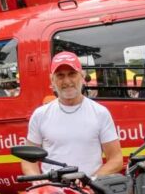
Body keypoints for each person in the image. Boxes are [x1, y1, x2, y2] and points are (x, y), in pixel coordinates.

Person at [22, 51, 123, 179]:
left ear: (82, 76)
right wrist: (37, 182)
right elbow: (28, 160)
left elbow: (116, 160)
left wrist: (90, 181)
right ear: (52, 80)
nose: (67, 81)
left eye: (72, 74)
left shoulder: (100, 113)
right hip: (53, 189)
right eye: (60, 75)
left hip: (89, 189)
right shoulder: (40, 115)